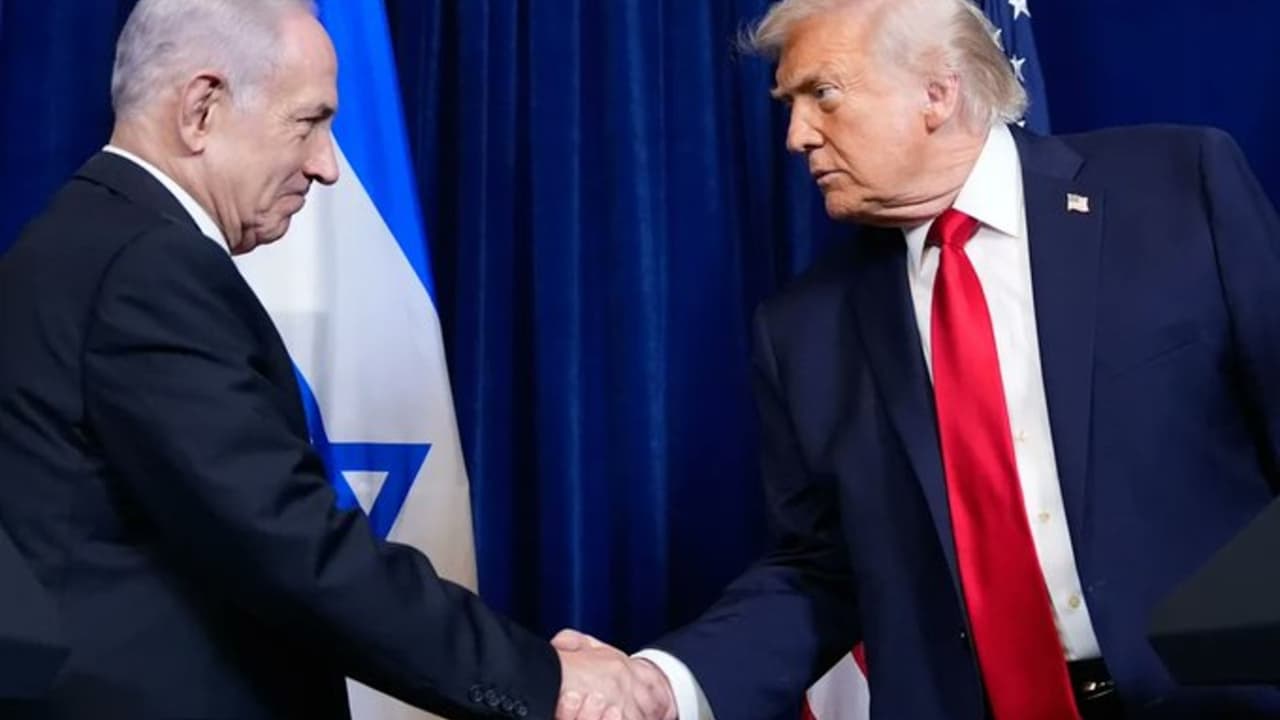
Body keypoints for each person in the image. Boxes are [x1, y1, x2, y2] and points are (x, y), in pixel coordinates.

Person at [557, 0, 1280, 718]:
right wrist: (664, 684)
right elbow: (819, 574)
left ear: (937, 91)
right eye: (790, 105)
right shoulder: (802, 330)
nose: (797, 136)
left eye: (822, 95)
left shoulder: (1178, 188)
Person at [0, 1, 660, 717]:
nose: (327, 166)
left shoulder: (82, 237)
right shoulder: (146, 267)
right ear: (200, 109)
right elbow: (287, 543)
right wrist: (545, 679)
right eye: (308, 122)